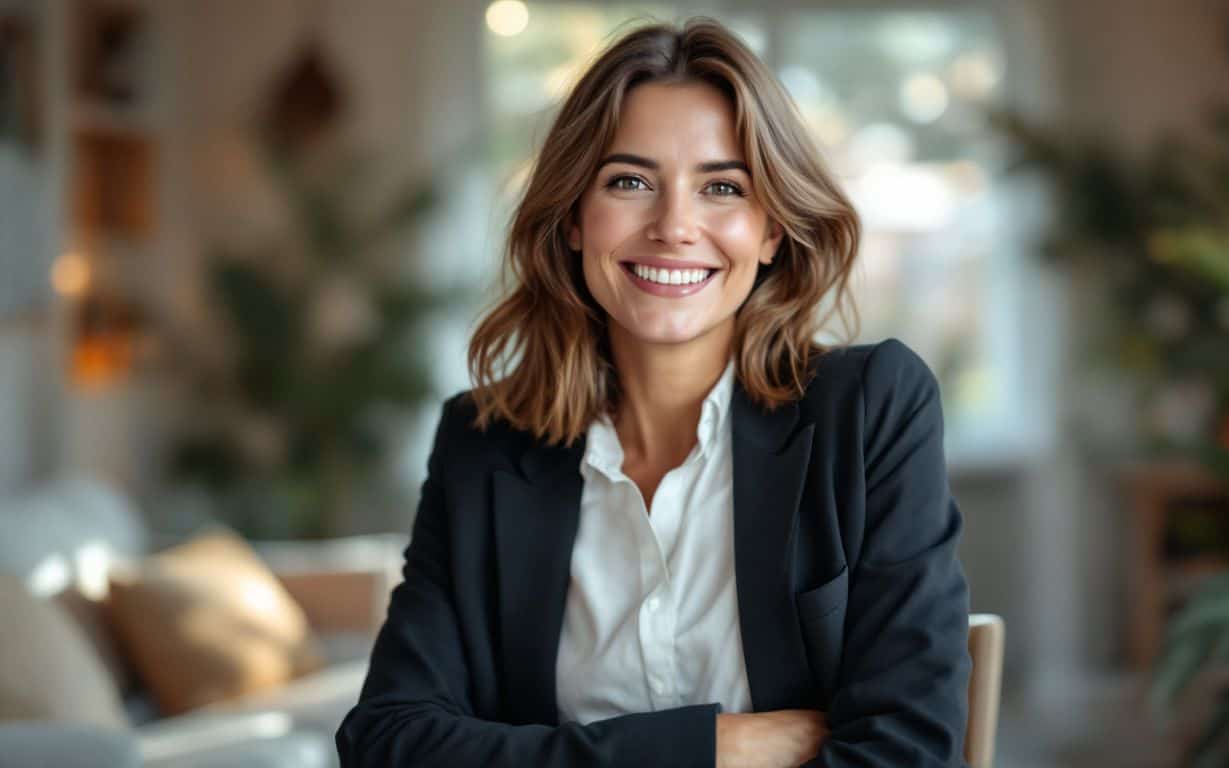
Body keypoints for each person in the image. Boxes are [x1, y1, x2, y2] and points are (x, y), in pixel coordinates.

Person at [336, 16, 971, 768]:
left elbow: (909, 753)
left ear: (771, 232)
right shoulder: (483, 442)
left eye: (722, 187)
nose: (674, 226)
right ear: (574, 217)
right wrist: (710, 747)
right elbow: (388, 742)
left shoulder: (869, 411)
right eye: (630, 181)